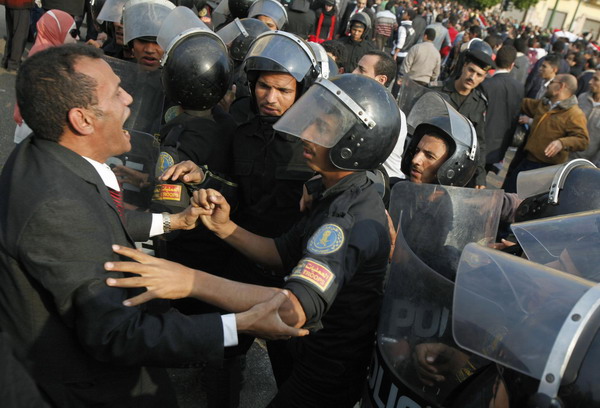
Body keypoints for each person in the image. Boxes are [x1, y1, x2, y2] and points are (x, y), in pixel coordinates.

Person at [0, 44, 303, 407]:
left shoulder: (43, 157)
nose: (129, 97)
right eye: (116, 92)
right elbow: (117, 334)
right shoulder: (58, 206)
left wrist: (176, 219)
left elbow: (100, 222)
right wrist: (238, 324)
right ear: (82, 120)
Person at [105, 73, 402, 408]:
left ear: (352, 146)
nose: (306, 132)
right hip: (308, 353)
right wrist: (225, 227)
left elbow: (291, 311)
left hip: (327, 370)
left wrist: (188, 281)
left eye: (322, 128)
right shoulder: (331, 192)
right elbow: (279, 253)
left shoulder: (347, 220)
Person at [503, 74, 589, 193]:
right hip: (526, 160)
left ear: (560, 86)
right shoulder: (544, 104)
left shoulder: (574, 114)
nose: (547, 85)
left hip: (545, 169)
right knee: (506, 195)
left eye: (552, 82)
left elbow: (583, 140)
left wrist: (562, 143)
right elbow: (523, 103)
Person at [12, 8, 78, 144]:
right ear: (56, 31)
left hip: (30, 124)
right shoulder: (50, 61)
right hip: (38, 129)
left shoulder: (41, 52)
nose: (77, 37)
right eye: (73, 32)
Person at [430, 49, 493, 188]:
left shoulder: (479, 103)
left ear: (483, 78)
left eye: (479, 75)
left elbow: (479, 143)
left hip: (454, 171)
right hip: (429, 164)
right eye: (471, 70)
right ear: (464, 66)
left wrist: (480, 178)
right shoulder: (437, 92)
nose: (473, 77)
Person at [352, 50, 407, 184]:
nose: (354, 72)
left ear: (381, 79)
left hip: (382, 183)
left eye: (361, 70)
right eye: (356, 67)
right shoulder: (363, 101)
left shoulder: (386, 112)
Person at [480, 45, 524, 174]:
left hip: (481, 140)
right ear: (512, 65)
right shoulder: (519, 87)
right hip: (500, 145)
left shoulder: (486, 84)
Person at [570, 69, 600, 165]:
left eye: (596, 79)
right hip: (566, 155)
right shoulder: (582, 98)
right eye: (592, 78)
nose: (590, 82)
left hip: (586, 164)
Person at [1, 0, 33, 72]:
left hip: (10, 3)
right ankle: (13, 63)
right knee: (20, 34)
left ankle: (7, 60)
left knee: (11, 32)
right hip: (21, 4)